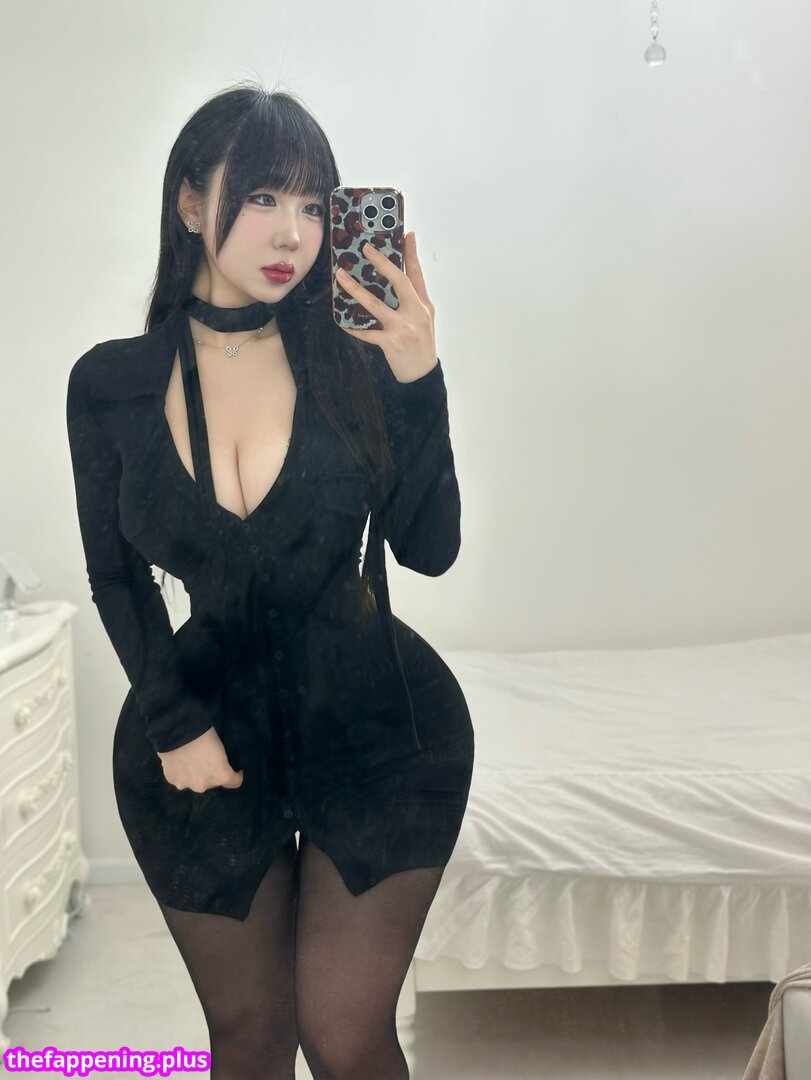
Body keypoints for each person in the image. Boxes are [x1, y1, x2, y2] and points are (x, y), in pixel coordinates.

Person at [66, 81, 474, 1080]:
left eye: (311, 204)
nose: (291, 232)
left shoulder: (358, 360)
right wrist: (172, 724)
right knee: (249, 1041)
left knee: (346, 1034)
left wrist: (419, 380)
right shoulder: (110, 383)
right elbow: (115, 575)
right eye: (260, 197)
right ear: (190, 202)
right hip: (202, 736)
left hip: (383, 731)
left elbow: (428, 549)